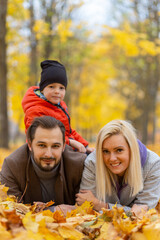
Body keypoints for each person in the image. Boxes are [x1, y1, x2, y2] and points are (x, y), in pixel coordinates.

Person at [76, 120, 160, 215]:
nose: (112, 158)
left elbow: (143, 213)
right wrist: (129, 211)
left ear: (132, 148)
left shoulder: (153, 164)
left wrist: (99, 205)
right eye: (106, 151)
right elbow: (86, 205)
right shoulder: (93, 162)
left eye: (119, 150)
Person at [0, 116, 86, 208]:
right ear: (30, 145)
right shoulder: (12, 165)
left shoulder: (79, 165)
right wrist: (55, 210)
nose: (48, 154)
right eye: (42, 145)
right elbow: (12, 210)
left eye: (55, 146)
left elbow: (87, 208)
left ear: (64, 146)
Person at [22, 60, 94, 154]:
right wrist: (71, 142)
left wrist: (85, 145)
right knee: (79, 162)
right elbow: (43, 136)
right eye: (52, 87)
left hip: (63, 145)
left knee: (92, 156)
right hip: (46, 150)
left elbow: (69, 131)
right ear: (42, 89)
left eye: (61, 88)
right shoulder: (36, 110)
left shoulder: (60, 106)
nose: (57, 91)